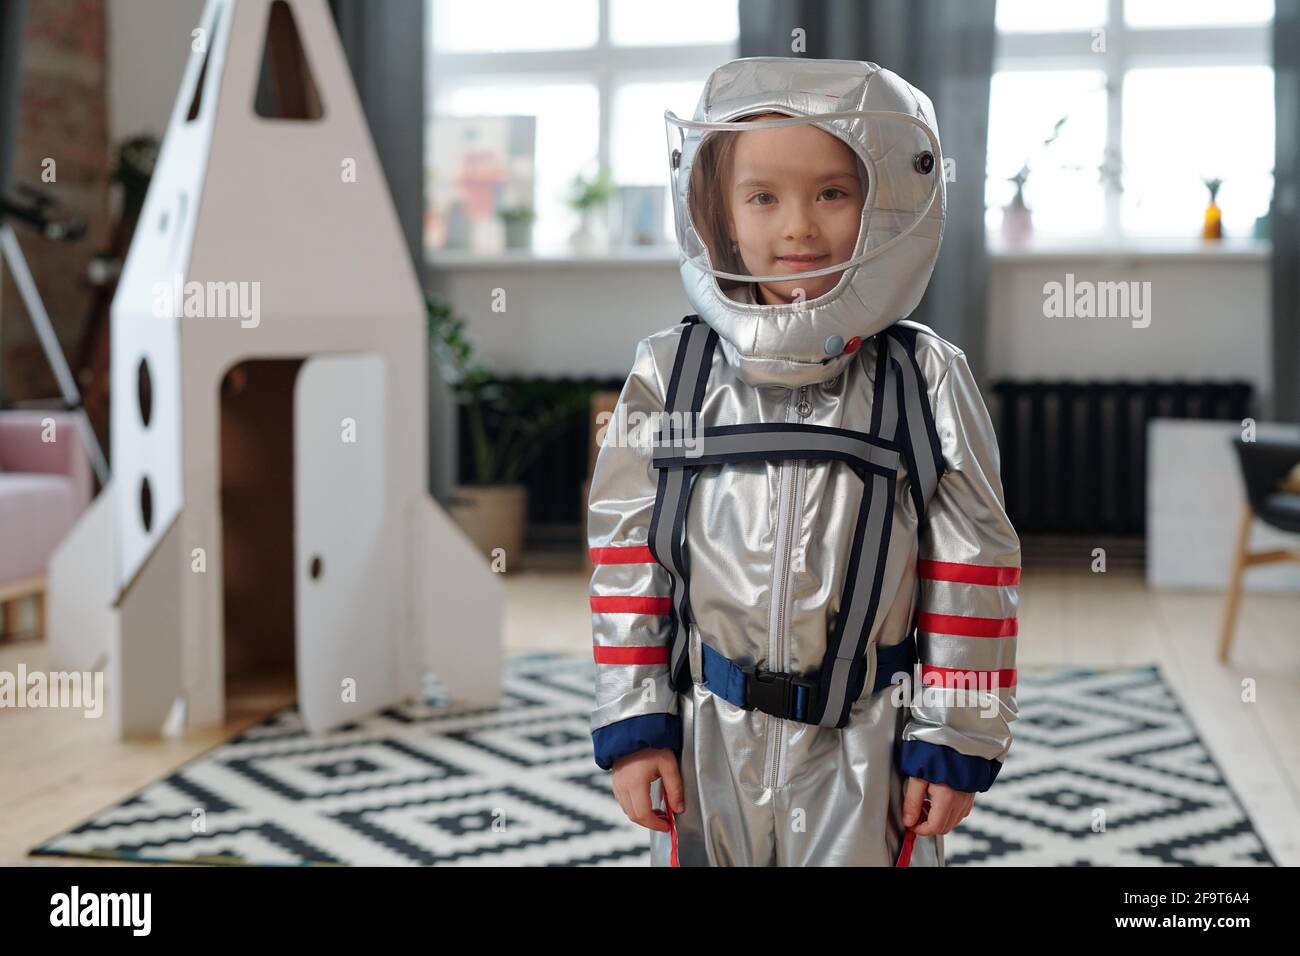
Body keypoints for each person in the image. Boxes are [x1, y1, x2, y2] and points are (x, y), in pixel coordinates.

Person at [587, 56, 1021, 866]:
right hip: (705, 731)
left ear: (885, 202)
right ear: (714, 210)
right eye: (763, 197)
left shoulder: (923, 376)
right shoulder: (670, 373)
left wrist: (955, 732)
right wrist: (636, 718)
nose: (797, 227)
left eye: (832, 192)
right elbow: (625, 554)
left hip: (869, 739)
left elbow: (973, 563)